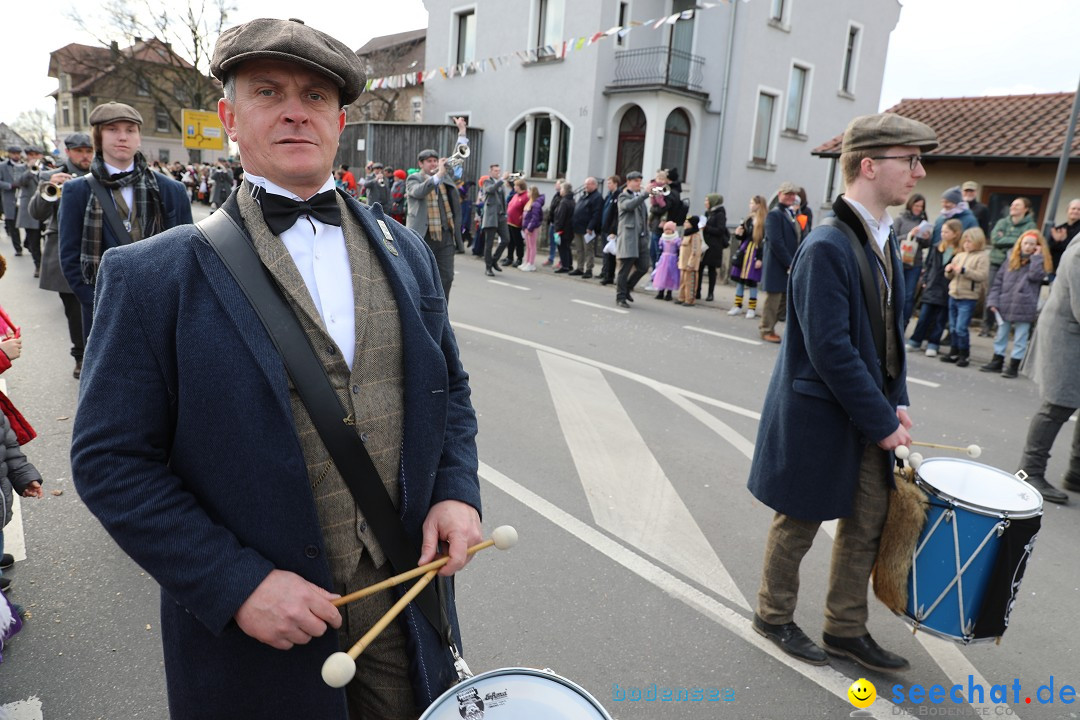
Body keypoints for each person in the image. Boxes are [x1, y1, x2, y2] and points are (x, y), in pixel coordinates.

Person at [70, 17, 482, 720]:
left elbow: (451, 393)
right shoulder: (151, 277)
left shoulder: (407, 251)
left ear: (341, 120)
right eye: (269, 91)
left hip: (403, 598)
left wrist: (455, 491)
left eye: (316, 96)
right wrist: (234, 583)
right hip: (256, 633)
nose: (296, 109)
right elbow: (110, 460)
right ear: (230, 117)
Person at [749, 112, 937, 673]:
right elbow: (831, 349)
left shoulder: (884, 234)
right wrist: (882, 421)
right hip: (821, 413)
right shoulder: (828, 242)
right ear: (869, 165)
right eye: (910, 161)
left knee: (869, 522)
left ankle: (845, 629)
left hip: (866, 411)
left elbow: (887, 333)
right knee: (800, 519)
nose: (920, 172)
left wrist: (896, 399)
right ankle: (773, 615)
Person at [57, 102, 192, 340]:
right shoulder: (75, 191)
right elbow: (70, 257)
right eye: (112, 129)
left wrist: (172, 305)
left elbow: (187, 255)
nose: (122, 137)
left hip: (162, 311)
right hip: (103, 311)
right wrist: (98, 304)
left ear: (139, 137)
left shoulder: (171, 189)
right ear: (98, 137)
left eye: (130, 130)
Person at [1014, 230, 1080, 505]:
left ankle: (1076, 471)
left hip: (1071, 333)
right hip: (1067, 337)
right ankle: (1030, 471)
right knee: (1057, 405)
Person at [28, 132, 93, 378]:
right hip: (64, 249)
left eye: (88, 151)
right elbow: (36, 213)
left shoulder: (98, 174)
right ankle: (80, 356)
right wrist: (49, 185)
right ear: (68, 152)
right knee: (74, 310)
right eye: (79, 151)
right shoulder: (50, 176)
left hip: (95, 246)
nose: (85, 156)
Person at [405, 116, 467, 300]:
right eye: (429, 161)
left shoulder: (445, 177)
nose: (433, 163)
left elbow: (459, 158)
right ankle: (423, 316)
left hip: (445, 236)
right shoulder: (414, 178)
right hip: (423, 237)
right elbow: (417, 192)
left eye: (435, 160)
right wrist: (438, 175)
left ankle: (442, 321)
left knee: (446, 278)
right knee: (421, 279)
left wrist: (462, 132)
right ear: (421, 164)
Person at [980, 230, 1051, 378]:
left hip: (1025, 304)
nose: (1028, 246)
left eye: (1032, 244)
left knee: (1020, 337)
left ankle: (1014, 365)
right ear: (1020, 244)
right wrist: (993, 301)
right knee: (1001, 334)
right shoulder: (1010, 260)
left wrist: (1037, 258)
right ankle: (997, 360)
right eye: (1025, 243)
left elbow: (1035, 276)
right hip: (1006, 303)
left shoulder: (1039, 261)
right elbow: (998, 282)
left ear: (1037, 246)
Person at [906, 218, 961, 358]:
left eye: (946, 232)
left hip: (946, 288)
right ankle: (915, 340)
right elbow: (929, 265)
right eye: (942, 231)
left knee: (940, 319)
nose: (943, 234)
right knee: (923, 316)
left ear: (955, 233)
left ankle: (933, 343)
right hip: (931, 285)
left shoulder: (959, 252)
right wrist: (925, 280)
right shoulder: (937, 247)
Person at [982, 197, 1037, 336]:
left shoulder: (1030, 226)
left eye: (1017, 205)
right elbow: (995, 240)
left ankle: (1003, 325)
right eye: (1012, 205)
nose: (1013, 207)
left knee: (1010, 295)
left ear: (1026, 209)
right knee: (992, 294)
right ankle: (986, 326)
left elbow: (1023, 243)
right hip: (997, 262)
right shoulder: (1002, 222)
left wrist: (1007, 239)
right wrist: (1016, 240)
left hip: (1015, 265)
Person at [940, 227, 990, 367]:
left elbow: (982, 276)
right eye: (965, 241)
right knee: (953, 326)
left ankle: (964, 354)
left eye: (970, 241)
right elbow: (949, 276)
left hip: (968, 296)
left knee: (961, 327)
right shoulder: (960, 255)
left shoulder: (982, 257)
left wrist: (964, 271)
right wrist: (949, 270)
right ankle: (953, 351)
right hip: (954, 293)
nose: (967, 244)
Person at [758, 181, 801, 343]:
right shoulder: (774, 214)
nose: (790, 197)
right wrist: (789, 262)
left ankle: (769, 326)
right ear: (780, 195)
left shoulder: (790, 213)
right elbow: (776, 241)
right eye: (787, 194)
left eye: (792, 194)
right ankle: (766, 329)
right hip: (777, 264)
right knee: (773, 299)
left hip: (787, 264)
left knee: (783, 299)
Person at [894, 193, 930, 330]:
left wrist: (925, 237)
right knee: (897, 293)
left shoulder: (923, 221)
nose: (919, 208)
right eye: (917, 205)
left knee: (909, 296)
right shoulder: (900, 219)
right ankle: (892, 323)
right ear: (910, 204)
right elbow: (892, 239)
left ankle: (903, 324)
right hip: (899, 261)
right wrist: (910, 235)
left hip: (915, 263)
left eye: (921, 206)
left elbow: (926, 245)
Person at [615, 171, 649, 308]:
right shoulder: (623, 196)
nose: (638, 184)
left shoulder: (639, 197)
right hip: (629, 238)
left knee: (644, 267)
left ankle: (627, 287)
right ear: (628, 182)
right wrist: (645, 194)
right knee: (625, 268)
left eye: (640, 181)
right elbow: (629, 206)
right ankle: (620, 297)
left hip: (641, 238)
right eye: (635, 181)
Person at [728, 195, 766, 318]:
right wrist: (739, 234)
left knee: (752, 281)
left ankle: (751, 308)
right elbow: (743, 237)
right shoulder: (748, 219)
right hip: (745, 251)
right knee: (740, 280)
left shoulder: (763, 221)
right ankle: (737, 305)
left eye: (752, 203)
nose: (750, 205)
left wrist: (760, 258)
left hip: (754, 252)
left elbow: (762, 241)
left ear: (759, 205)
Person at [15, 147, 46, 277]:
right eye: (30, 155)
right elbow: (18, 182)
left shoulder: (48, 168)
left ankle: (47, 263)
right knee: (34, 240)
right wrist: (30, 170)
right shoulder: (20, 168)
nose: (33, 157)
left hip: (45, 209)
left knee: (49, 238)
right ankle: (38, 266)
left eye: (36, 155)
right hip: (29, 209)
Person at [480, 165, 510, 276]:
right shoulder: (487, 181)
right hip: (491, 216)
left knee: (506, 239)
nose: (498, 172)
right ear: (490, 171)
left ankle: (494, 260)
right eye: (496, 171)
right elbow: (490, 190)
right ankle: (488, 267)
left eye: (499, 170)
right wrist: (502, 179)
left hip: (501, 216)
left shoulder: (501, 183)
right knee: (489, 243)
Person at [570, 177, 603, 278]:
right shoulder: (584, 196)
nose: (585, 186)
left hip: (587, 228)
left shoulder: (597, 197)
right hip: (578, 227)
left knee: (588, 249)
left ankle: (589, 269)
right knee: (579, 249)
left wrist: (591, 227)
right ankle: (580, 267)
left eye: (588, 184)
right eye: (585, 184)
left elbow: (596, 214)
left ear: (594, 185)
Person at [699, 193, 728, 301]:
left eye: (707, 200)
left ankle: (710, 293)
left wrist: (706, 228)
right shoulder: (708, 213)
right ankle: (697, 291)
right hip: (704, 244)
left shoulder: (720, 214)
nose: (705, 203)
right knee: (700, 267)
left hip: (714, 246)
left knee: (711, 270)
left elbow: (720, 230)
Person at [0, 147, 24, 255]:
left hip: (23, 198)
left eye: (18, 153)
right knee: (13, 226)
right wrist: (10, 185)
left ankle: (28, 242)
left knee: (30, 224)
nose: (16, 156)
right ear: (9, 154)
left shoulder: (25, 166)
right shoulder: (2, 166)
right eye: (14, 153)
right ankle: (18, 248)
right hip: (9, 199)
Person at [598, 175, 621, 285]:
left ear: (616, 183)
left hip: (611, 229)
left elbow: (615, 215)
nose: (608, 185)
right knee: (606, 253)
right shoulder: (609, 195)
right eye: (607, 183)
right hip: (605, 227)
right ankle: (605, 273)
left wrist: (613, 230)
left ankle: (609, 276)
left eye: (610, 183)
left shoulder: (618, 195)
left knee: (611, 255)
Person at [676, 215, 703, 306]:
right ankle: (681, 297)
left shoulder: (695, 235)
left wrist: (691, 263)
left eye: (687, 222)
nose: (684, 224)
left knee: (690, 282)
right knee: (682, 282)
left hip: (690, 265)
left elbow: (695, 251)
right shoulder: (686, 234)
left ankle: (689, 300)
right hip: (683, 263)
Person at [1048, 198, 1080, 275]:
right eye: (1073, 208)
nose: (1075, 211)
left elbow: (1075, 250)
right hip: (1056, 269)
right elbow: (1048, 247)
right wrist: (1056, 241)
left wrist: (1064, 240)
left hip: (1074, 271)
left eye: (1079, 209)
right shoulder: (1059, 228)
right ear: (1067, 210)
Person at [652, 220, 680, 300]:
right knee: (662, 275)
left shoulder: (676, 239)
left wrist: (678, 258)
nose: (667, 231)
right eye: (666, 230)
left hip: (672, 259)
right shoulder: (662, 238)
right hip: (664, 259)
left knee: (671, 275)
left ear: (673, 230)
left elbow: (679, 249)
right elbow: (660, 249)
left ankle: (669, 293)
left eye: (669, 230)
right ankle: (660, 292)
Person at [552, 181, 575, 274]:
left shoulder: (564, 202)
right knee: (567, 247)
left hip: (562, 229)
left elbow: (560, 217)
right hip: (569, 228)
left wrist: (557, 229)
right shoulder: (572, 200)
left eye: (561, 189)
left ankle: (565, 266)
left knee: (562, 248)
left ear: (565, 190)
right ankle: (569, 264)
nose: (560, 191)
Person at [505, 178, 528, 268]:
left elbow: (526, 209)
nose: (514, 187)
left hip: (517, 223)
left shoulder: (525, 196)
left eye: (515, 185)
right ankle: (509, 257)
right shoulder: (515, 195)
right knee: (510, 241)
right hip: (510, 221)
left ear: (520, 186)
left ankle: (519, 258)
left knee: (518, 242)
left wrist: (521, 218)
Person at [519, 185, 544, 272]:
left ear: (532, 192)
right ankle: (527, 261)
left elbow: (535, 218)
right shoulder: (530, 202)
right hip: (526, 227)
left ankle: (531, 263)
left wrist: (530, 228)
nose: (527, 193)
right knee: (528, 246)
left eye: (529, 192)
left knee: (532, 246)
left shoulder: (536, 204)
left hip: (531, 228)